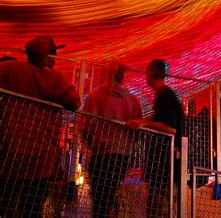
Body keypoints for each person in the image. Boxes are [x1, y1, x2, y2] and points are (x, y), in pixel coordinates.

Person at [0, 35, 81, 217]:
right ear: (48, 57)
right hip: (40, 157)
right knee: (32, 207)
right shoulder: (54, 78)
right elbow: (74, 102)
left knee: (5, 203)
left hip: (9, 154)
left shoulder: (10, 69)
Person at [80, 60, 142, 217]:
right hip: (122, 154)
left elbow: (85, 125)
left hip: (101, 154)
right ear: (123, 76)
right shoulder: (132, 101)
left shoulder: (96, 96)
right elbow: (138, 130)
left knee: (99, 197)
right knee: (112, 191)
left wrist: (93, 143)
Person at [127, 58, 183, 217]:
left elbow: (171, 129)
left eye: (147, 71)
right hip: (162, 168)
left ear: (152, 72)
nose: (145, 75)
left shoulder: (165, 96)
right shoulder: (165, 96)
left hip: (164, 168)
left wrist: (143, 122)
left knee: (157, 210)